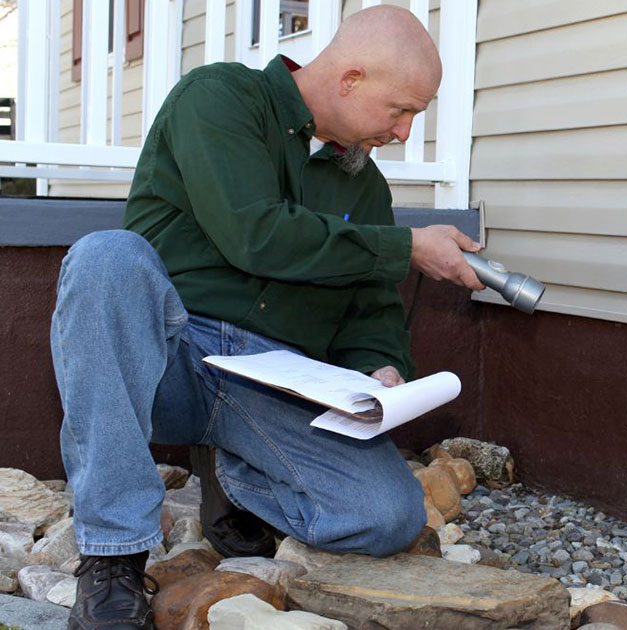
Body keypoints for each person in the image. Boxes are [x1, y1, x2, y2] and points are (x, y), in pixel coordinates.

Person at [50, 7, 481, 630]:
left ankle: (236, 476)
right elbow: (255, 233)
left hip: (270, 382)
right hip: (168, 360)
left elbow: (372, 311)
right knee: (105, 258)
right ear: (349, 79)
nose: (406, 132)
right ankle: (112, 557)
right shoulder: (220, 98)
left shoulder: (365, 187)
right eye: (401, 110)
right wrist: (408, 246)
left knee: (388, 516)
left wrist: (380, 368)